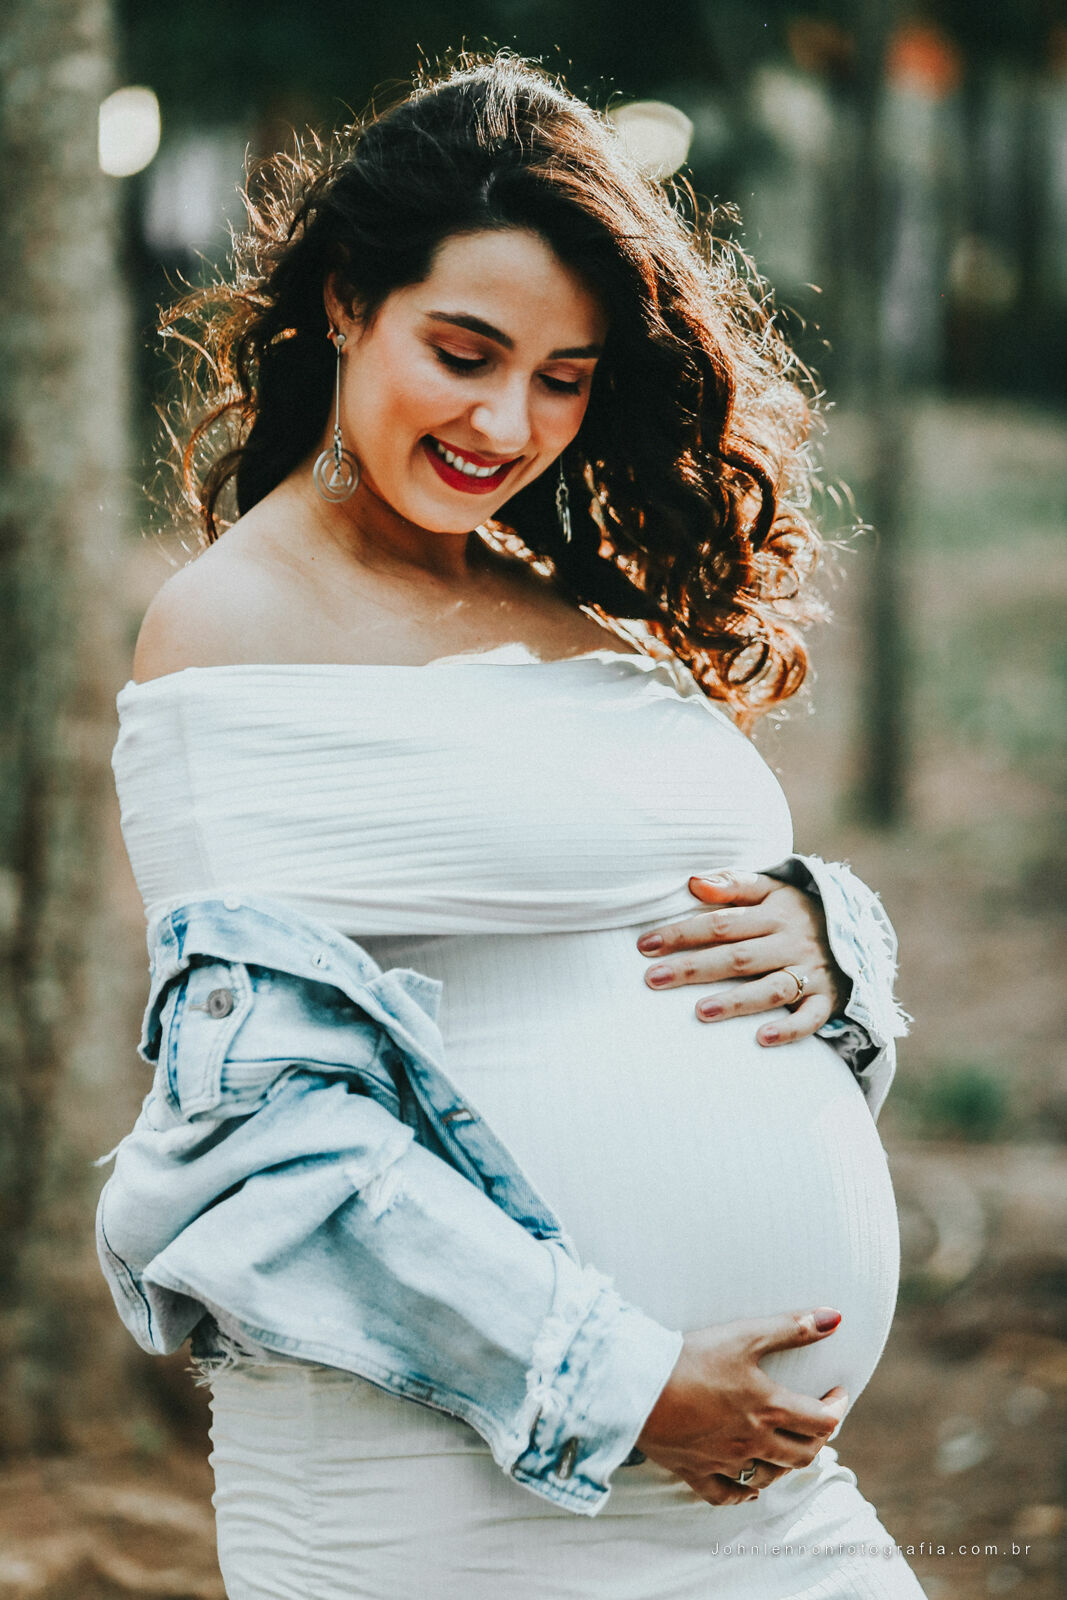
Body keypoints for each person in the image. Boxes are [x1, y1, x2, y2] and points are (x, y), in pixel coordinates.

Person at [96, 53, 923, 1599]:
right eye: (463, 350)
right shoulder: (233, 627)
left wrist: (827, 933)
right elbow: (260, 1137)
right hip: (462, 1490)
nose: (507, 420)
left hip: (753, 1493)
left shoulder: (561, 606)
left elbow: (656, 911)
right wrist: (623, 1387)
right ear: (347, 302)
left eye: (563, 374)